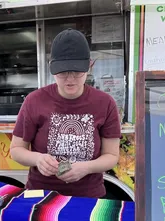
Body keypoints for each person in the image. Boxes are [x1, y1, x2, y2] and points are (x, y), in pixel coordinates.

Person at [10, 28, 121, 198]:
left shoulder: (105, 103)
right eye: (62, 72)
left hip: (88, 196)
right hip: (41, 194)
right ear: (51, 67)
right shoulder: (34, 101)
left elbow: (112, 155)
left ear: (90, 66)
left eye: (77, 72)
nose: (70, 79)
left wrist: (86, 167)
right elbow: (17, 149)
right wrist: (38, 159)